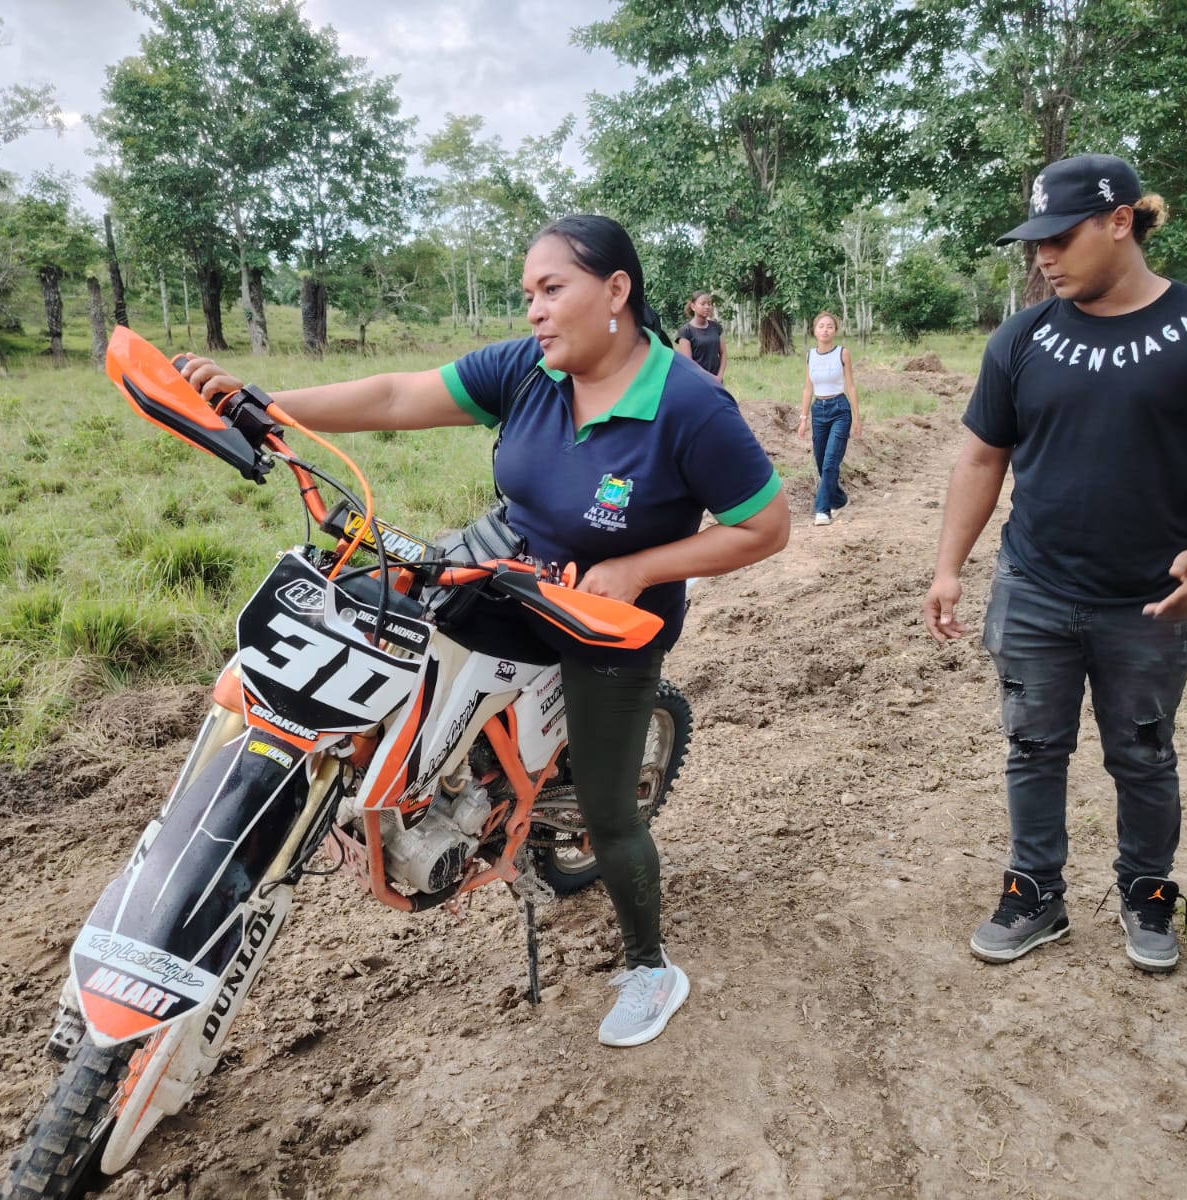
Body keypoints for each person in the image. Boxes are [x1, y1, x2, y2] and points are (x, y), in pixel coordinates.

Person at [179, 215, 789, 1048]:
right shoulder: (529, 369)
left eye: (553, 289)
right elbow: (397, 397)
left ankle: (650, 967)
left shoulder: (689, 406)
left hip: (606, 622)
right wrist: (265, 407)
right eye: (528, 292)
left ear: (616, 290)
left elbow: (765, 527)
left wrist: (640, 568)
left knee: (610, 814)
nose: (534, 309)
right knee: (366, 624)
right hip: (502, 566)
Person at [922, 153, 1187, 973]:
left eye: (1060, 237)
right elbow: (982, 458)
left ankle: (1147, 892)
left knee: (1144, 754)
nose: (1043, 258)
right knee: (1032, 748)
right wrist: (948, 567)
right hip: (1034, 587)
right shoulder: (1023, 337)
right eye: (1035, 242)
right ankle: (1034, 893)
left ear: (1121, 221)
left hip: (1151, 601)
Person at [797, 311, 862, 526]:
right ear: (814, 330)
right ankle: (839, 499)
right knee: (820, 461)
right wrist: (803, 418)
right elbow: (808, 388)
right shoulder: (810, 355)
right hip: (819, 411)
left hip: (839, 410)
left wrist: (857, 418)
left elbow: (850, 385)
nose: (825, 330)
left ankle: (822, 510)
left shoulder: (842, 353)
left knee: (830, 462)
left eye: (830, 326)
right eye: (821, 326)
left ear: (835, 331)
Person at [675, 290, 726, 381]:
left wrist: (720, 376)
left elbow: (723, 353)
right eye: (703, 304)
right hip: (697, 381)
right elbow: (689, 363)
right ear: (693, 306)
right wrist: (709, 378)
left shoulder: (716, 327)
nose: (707, 307)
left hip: (717, 381)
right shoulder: (685, 331)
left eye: (709, 304)